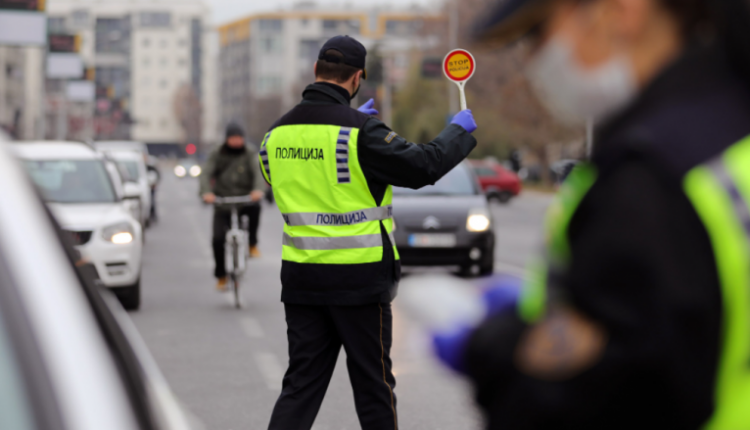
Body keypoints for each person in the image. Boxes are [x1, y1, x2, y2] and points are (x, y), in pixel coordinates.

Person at [426, 0, 750, 429]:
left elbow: (587, 402)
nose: (532, 60)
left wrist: (492, 351)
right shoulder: (729, 133)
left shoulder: (646, 182)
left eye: (539, 34)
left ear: (621, 12)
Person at [260, 35, 478, 430]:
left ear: (315, 72)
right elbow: (423, 166)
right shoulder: (360, 132)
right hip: (359, 281)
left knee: (300, 387)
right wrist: (457, 132)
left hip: (302, 280)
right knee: (373, 388)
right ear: (358, 78)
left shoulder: (273, 136)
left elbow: (296, 175)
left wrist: (347, 126)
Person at [200, 123, 265, 291]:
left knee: (256, 209)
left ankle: (252, 244)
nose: (236, 141)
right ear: (227, 139)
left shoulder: (250, 153)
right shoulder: (217, 153)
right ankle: (221, 276)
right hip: (223, 201)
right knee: (217, 239)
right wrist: (207, 193)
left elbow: (258, 172)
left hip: (245, 199)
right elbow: (206, 173)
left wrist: (258, 190)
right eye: (233, 138)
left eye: (239, 138)